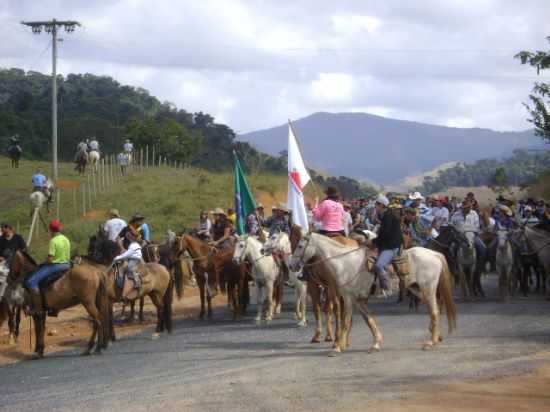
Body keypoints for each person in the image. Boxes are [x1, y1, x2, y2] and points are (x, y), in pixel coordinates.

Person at [24, 220, 71, 315]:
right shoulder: (65, 238)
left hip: (56, 266)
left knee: (31, 282)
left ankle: (38, 308)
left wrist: (42, 262)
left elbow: (50, 259)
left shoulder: (53, 241)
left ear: (50, 230)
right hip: (67, 264)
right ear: (60, 228)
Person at [370, 195, 403, 297]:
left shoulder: (387, 216)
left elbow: (385, 234)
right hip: (388, 244)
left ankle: (388, 289)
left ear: (382, 205)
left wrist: (373, 242)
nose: (375, 206)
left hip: (392, 246)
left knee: (379, 265)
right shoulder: (386, 215)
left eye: (376, 204)